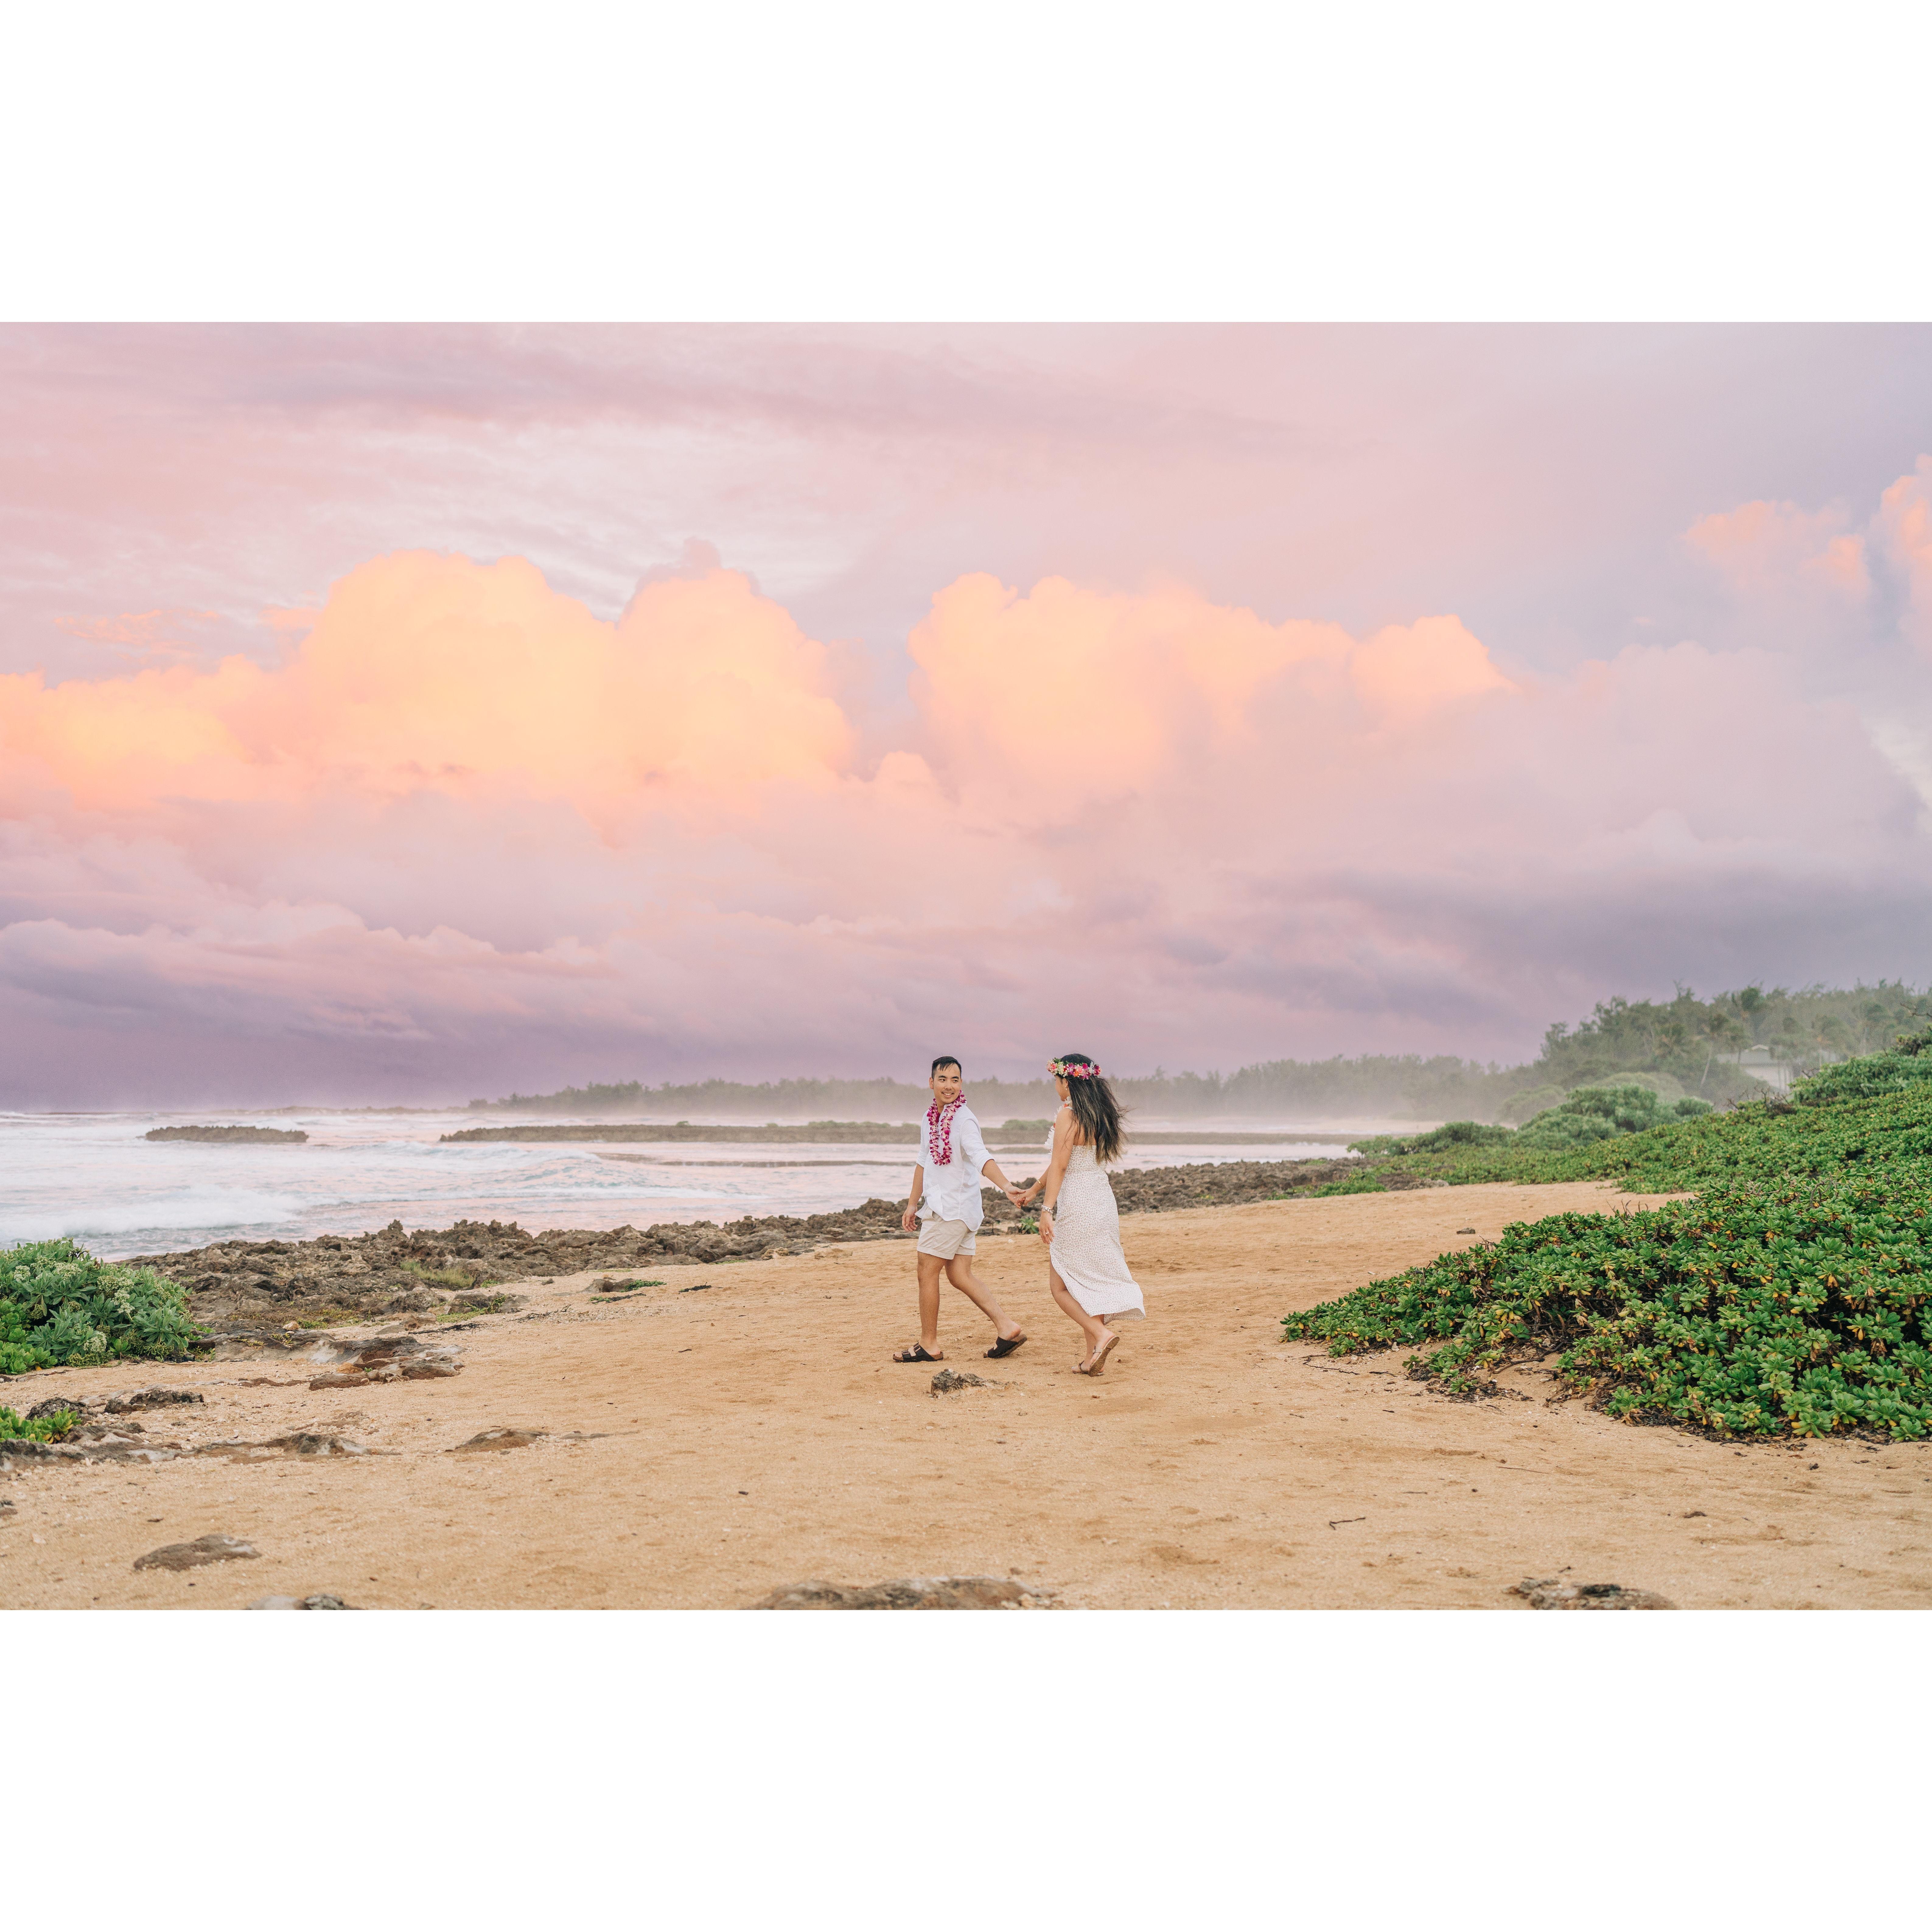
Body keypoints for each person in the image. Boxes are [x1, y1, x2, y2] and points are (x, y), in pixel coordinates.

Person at [1010, 1053, 1144, 1373]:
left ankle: (1101, 1333)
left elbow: (1060, 1165)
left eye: (1056, 1081)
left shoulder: (1068, 1115)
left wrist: (1045, 1210)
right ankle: (1092, 1358)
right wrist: (1033, 1190)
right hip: (1101, 1201)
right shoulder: (1099, 1114)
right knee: (1089, 1282)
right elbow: (1061, 1164)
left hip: (1078, 1205)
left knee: (1060, 1287)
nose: (1055, 1087)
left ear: (1066, 1081)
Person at [893, 1056, 1030, 1364]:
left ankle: (929, 1344)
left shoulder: (964, 1119)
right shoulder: (929, 1119)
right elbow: (922, 1162)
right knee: (959, 1274)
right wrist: (913, 1203)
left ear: (961, 1084)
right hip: (953, 1207)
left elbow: (981, 1157)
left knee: (926, 1270)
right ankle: (1007, 1327)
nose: (949, 1086)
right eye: (943, 1079)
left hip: (952, 1209)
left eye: (955, 1080)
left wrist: (1006, 1186)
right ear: (931, 1083)